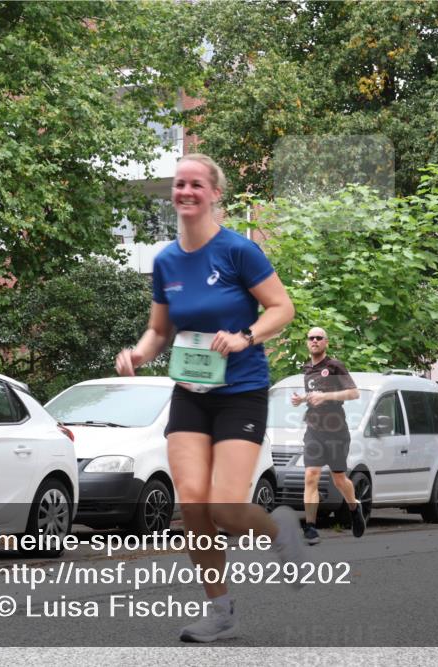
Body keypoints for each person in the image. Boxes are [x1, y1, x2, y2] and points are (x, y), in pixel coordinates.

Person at [115, 153, 306, 643]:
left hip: (240, 392)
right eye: (180, 184)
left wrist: (245, 334)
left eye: (196, 184)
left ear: (214, 194)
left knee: (224, 506)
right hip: (190, 393)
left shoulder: (238, 251)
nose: (186, 191)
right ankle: (220, 611)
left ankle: (279, 528)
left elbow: (282, 307)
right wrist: (137, 355)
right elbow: (159, 331)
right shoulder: (166, 262)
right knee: (194, 506)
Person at [291, 327, 363, 544]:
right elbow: (315, 395)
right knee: (310, 475)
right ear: (307, 343)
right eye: (311, 338)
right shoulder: (307, 369)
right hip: (313, 429)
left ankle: (354, 506)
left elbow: (354, 393)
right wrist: (302, 399)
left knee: (339, 479)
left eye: (318, 338)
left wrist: (326, 396)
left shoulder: (334, 366)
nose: (314, 341)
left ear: (326, 342)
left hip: (336, 430)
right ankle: (311, 527)